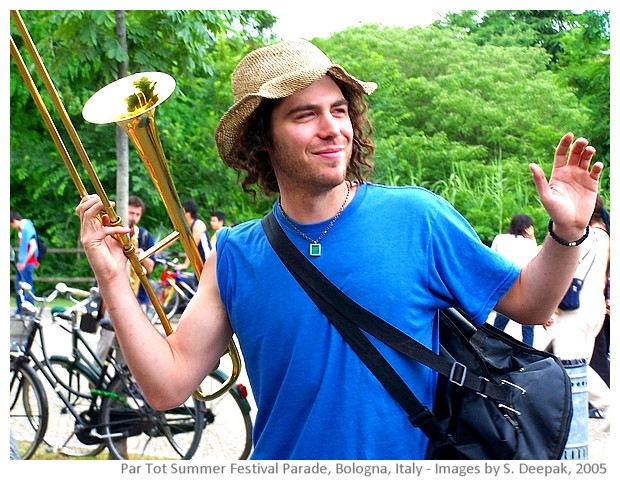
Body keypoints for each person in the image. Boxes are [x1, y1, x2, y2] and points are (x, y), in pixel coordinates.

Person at [76, 39, 603, 460]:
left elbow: (532, 304)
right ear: (263, 139)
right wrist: (113, 281)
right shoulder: (236, 253)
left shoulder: (418, 217)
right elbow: (167, 388)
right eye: (305, 115)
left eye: (339, 109)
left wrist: (566, 234)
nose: (332, 129)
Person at [544, 195, 610, 430]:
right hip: (596, 308)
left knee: (570, 365)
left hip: (576, 309)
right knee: (579, 366)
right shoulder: (605, 235)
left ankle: (609, 405)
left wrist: (548, 307)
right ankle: (573, 423)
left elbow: (565, 273)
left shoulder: (586, 237)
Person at [490, 214, 539, 346]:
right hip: (525, 287)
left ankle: (491, 349)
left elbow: (492, 259)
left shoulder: (500, 239)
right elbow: (535, 264)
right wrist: (533, 239)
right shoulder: (529, 244)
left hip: (505, 286)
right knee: (528, 327)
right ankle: (529, 356)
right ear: (527, 228)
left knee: (498, 326)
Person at [10, 211, 39, 316]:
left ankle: (30, 312)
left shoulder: (27, 229)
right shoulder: (23, 229)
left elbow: (33, 247)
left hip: (26, 263)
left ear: (14, 221)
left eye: (11, 224)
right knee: (19, 286)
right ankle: (21, 310)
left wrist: (24, 262)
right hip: (23, 263)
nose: (12, 227)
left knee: (27, 287)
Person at [177, 199, 212, 270]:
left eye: (182, 211)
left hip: (207, 263)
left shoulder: (198, 225)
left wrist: (185, 265)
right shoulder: (187, 226)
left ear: (188, 213)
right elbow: (174, 237)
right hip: (200, 264)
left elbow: (193, 247)